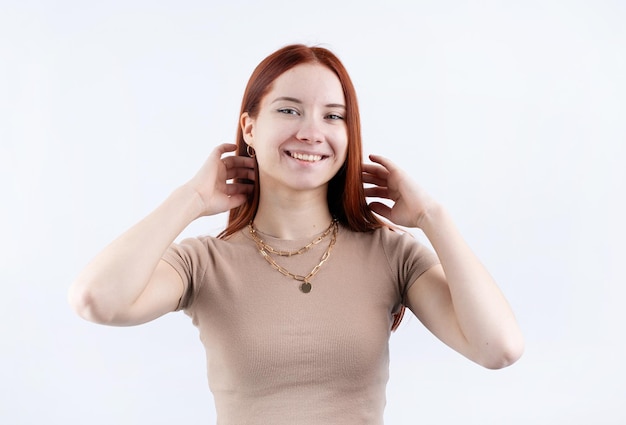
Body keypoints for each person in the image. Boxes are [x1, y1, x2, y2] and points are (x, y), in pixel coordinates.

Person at [69, 44, 524, 424]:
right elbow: (96, 300)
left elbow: (499, 348)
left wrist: (431, 215)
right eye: (289, 110)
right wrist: (189, 199)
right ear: (249, 126)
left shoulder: (390, 254)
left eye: (333, 116)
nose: (311, 132)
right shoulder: (203, 263)